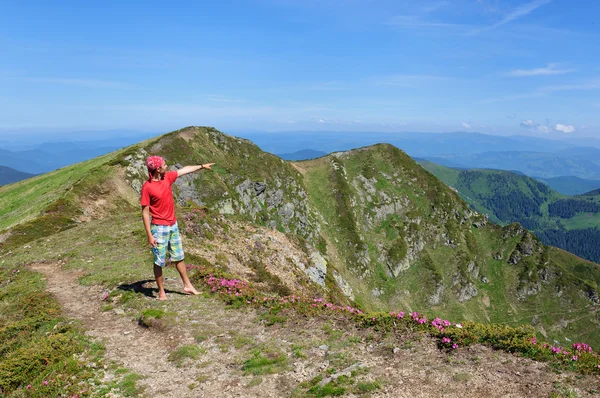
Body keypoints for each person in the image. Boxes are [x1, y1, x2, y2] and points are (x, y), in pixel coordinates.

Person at [140, 155, 215, 300]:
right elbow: (145, 212)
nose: (166, 166)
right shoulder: (147, 187)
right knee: (159, 261)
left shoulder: (167, 177)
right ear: (157, 168)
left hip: (173, 225)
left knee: (179, 257)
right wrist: (149, 234)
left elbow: (184, 170)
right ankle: (161, 291)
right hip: (159, 228)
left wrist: (201, 166)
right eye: (164, 164)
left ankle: (188, 285)